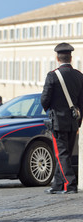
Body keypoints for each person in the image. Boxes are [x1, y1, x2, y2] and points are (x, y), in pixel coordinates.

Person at [41, 42, 83, 194]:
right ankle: (57, 185)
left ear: (57, 58)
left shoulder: (53, 76)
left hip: (58, 121)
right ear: (71, 58)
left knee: (61, 154)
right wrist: (79, 120)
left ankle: (70, 184)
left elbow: (44, 99)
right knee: (65, 154)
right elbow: (81, 102)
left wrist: (47, 109)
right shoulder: (79, 76)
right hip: (73, 121)